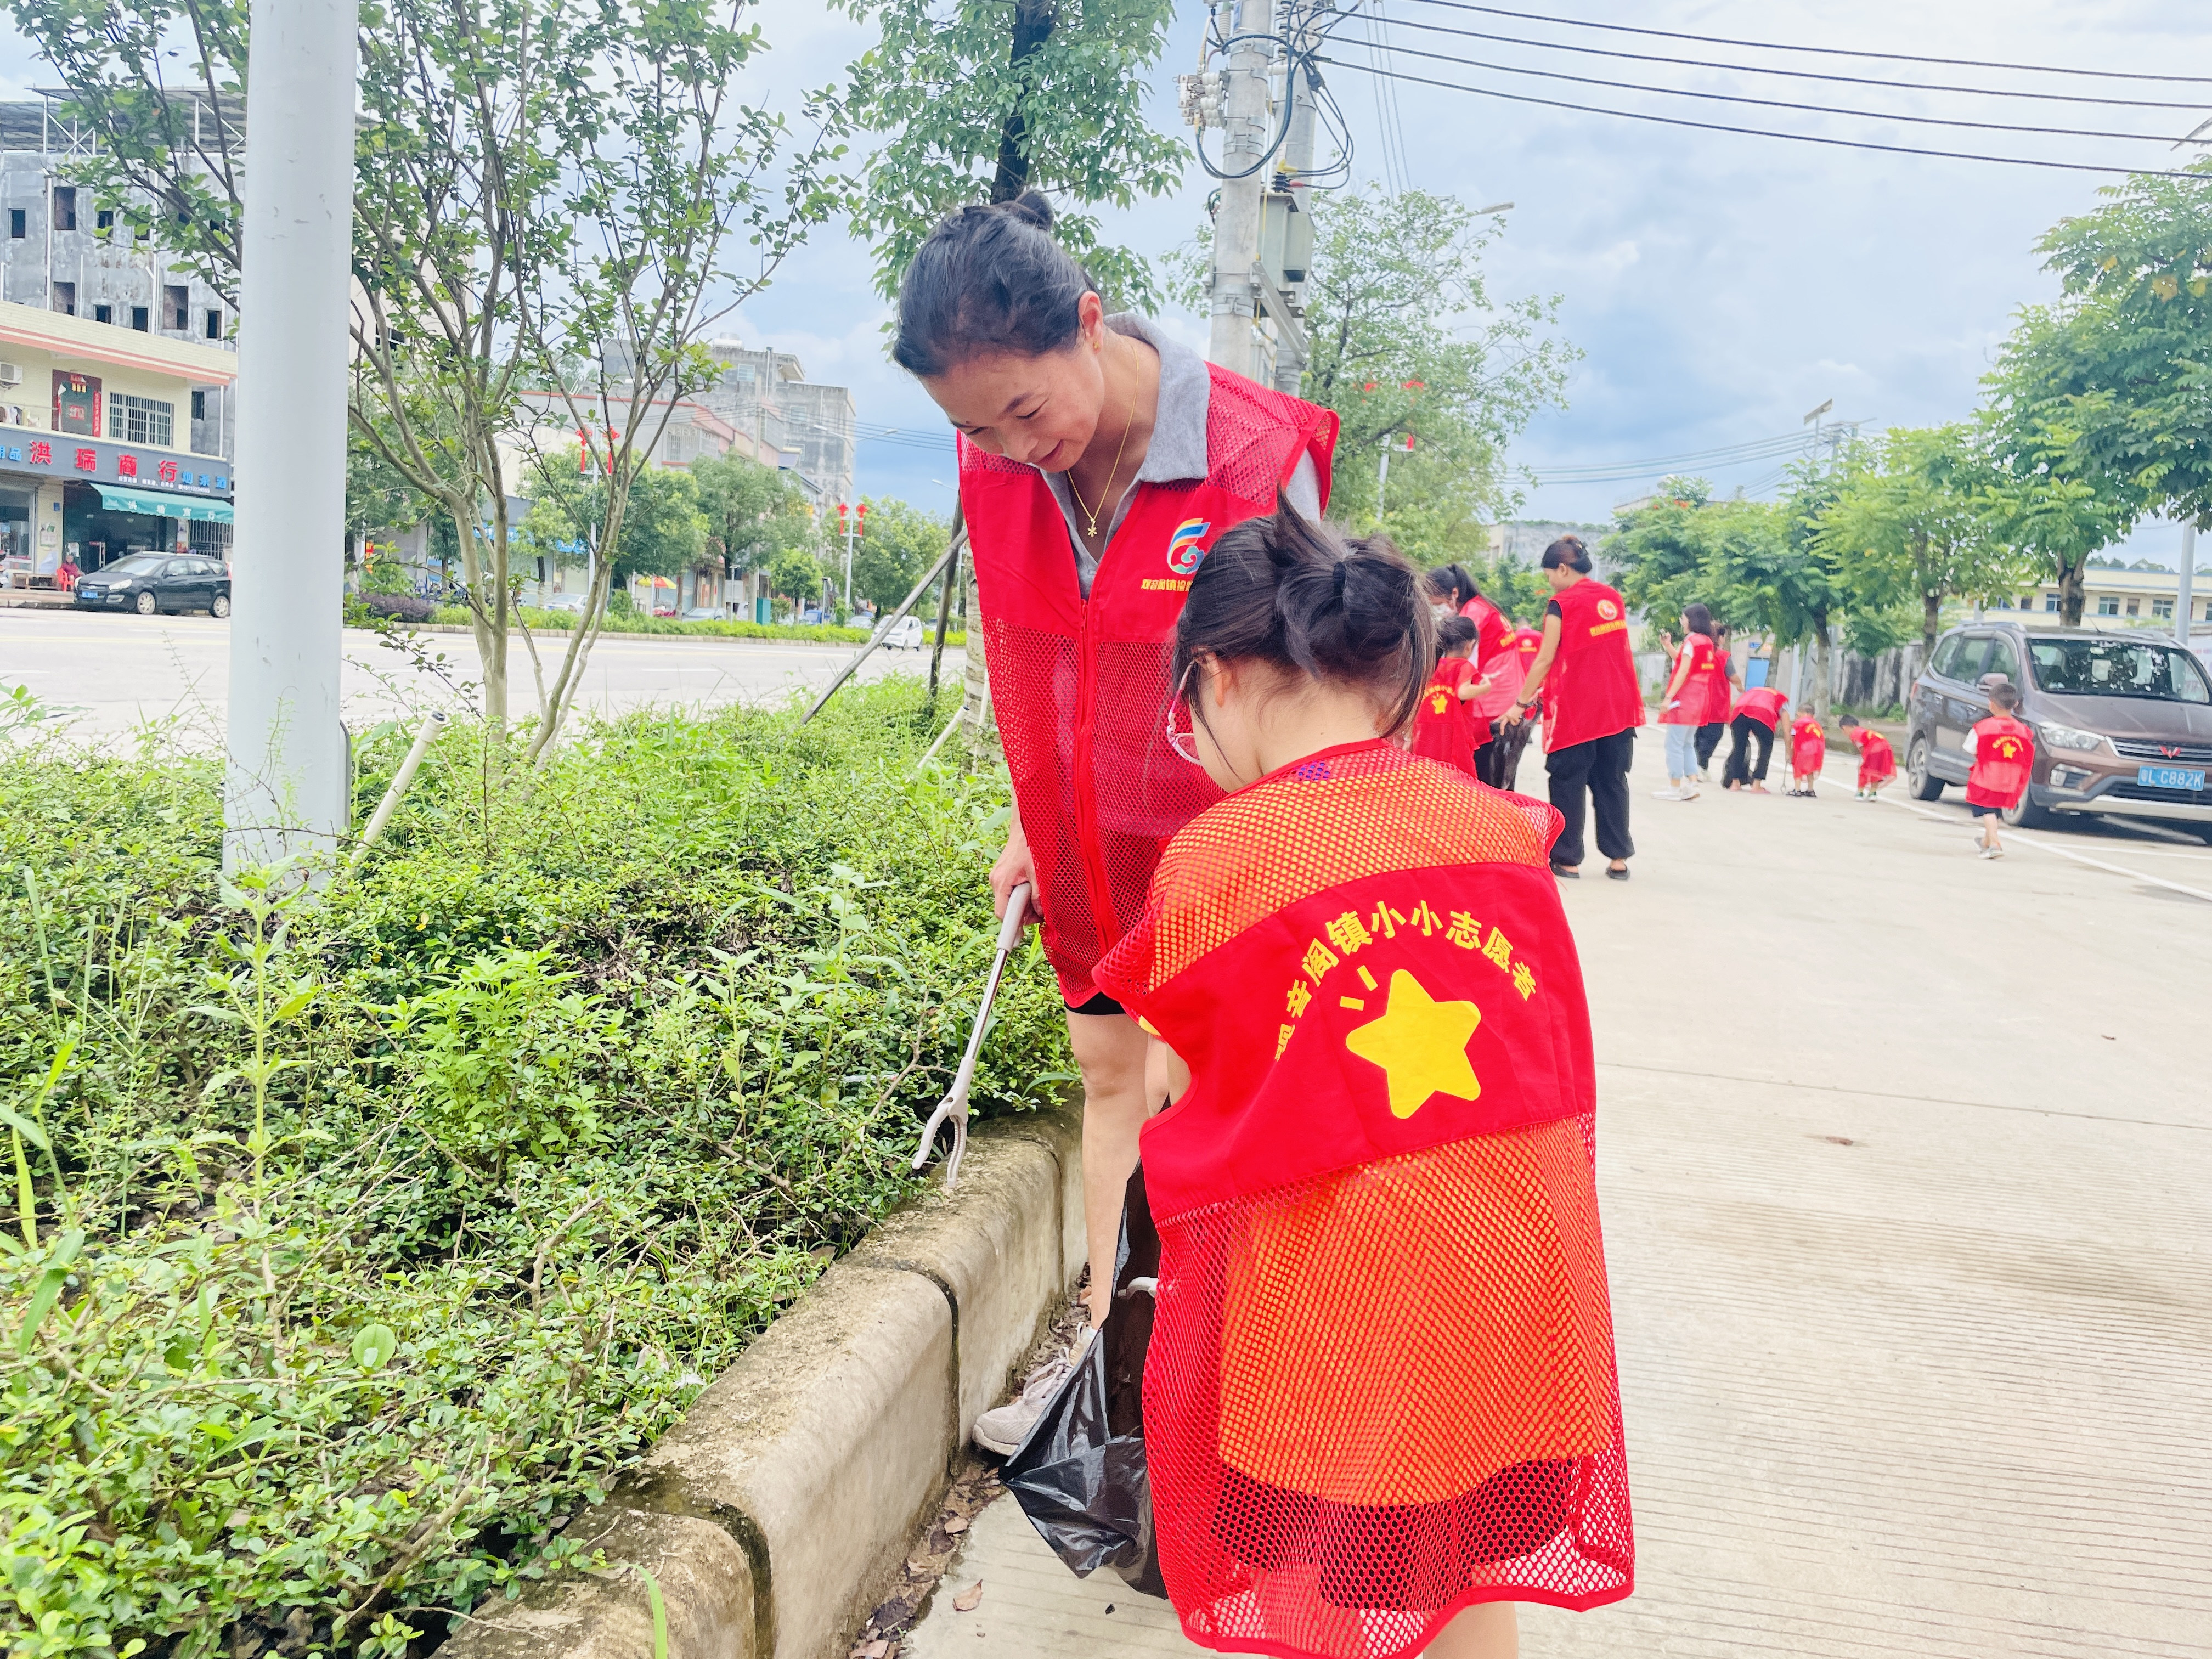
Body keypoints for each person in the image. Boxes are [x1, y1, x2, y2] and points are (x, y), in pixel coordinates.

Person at [1092, 507, 1634, 1659]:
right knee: (1470, 1577)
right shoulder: (1500, 830)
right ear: (1396, 678)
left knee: (1338, 1598)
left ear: (1215, 677)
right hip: (1512, 1294)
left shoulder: (1219, 859)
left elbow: (1171, 1089)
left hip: (1335, 1311)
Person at [895, 193, 1340, 1373]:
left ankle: (1225, 1368)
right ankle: (1115, 1366)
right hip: (1086, 840)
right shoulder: (999, 468)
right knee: (1108, 1077)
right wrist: (1029, 821)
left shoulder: (1252, 456)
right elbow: (1046, 656)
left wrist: (1280, 871)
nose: (1010, 447)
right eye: (974, 428)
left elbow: (1316, 692)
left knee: (1205, 1103)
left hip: (1226, 856)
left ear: (1089, 324)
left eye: (1024, 410)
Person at [1502, 536, 1643, 879]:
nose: (1550, 581)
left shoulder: (1561, 604)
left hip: (1578, 712)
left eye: (1550, 574)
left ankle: (1568, 860)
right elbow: (1597, 654)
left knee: (1568, 781)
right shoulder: (1612, 599)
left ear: (1563, 569)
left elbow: (1545, 659)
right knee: (1612, 781)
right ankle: (1618, 860)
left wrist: (1520, 704)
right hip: (1618, 709)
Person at [1653, 605, 1721, 801]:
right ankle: (1692, 784)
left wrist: (1668, 697)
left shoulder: (1691, 640)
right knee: (1687, 744)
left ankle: (1674, 786)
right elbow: (1684, 662)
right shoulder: (1707, 642)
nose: (1682, 622)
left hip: (1684, 700)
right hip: (1699, 701)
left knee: (1673, 744)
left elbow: (1683, 671)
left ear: (1692, 620)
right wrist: (1669, 646)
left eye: (1683, 618)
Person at [1965, 676, 2034, 857]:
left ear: (1991, 704)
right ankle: (1985, 842)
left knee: (1986, 809)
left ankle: (1995, 845)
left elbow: (1970, 749)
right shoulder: (2024, 731)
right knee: (1995, 811)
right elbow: (2028, 754)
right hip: (2011, 781)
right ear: (2016, 704)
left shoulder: (1982, 728)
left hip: (1986, 778)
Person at [1411, 613, 1486, 776]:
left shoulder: (1432, 665)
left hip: (1427, 733)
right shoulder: (1464, 666)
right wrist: (1485, 688)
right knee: (1458, 777)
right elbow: (1463, 692)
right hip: (1454, 735)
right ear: (1470, 645)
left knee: (1428, 775)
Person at [1696, 624, 1737, 781]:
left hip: (1697, 703)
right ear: (1720, 638)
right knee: (1712, 737)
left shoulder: (1698, 653)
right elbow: (1733, 676)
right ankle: (1700, 766)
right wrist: (1741, 687)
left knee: (1697, 737)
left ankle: (1699, 767)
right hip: (1716, 706)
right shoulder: (1724, 656)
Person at [1725, 684, 1785, 792]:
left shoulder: (1752, 692)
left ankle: (1735, 783)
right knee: (1765, 748)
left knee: (1739, 748)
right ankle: (1757, 785)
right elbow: (1787, 730)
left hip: (1739, 713)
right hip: (1763, 714)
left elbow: (1736, 706)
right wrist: (1789, 751)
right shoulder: (1780, 698)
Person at [1842, 715, 1896, 800]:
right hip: (1886, 747)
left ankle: (1860, 792)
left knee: (1864, 768)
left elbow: (1862, 748)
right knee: (1876, 770)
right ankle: (1873, 792)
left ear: (1844, 728)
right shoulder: (1864, 731)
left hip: (1874, 747)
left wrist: (1864, 759)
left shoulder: (1854, 735)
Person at [1787, 709, 1826, 795]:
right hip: (1818, 750)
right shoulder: (1817, 725)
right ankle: (1810, 790)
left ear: (1802, 713)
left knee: (1798, 768)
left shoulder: (1799, 723)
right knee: (1811, 768)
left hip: (1804, 749)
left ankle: (1797, 790)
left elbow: (1793, 736)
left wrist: (1790, 752)